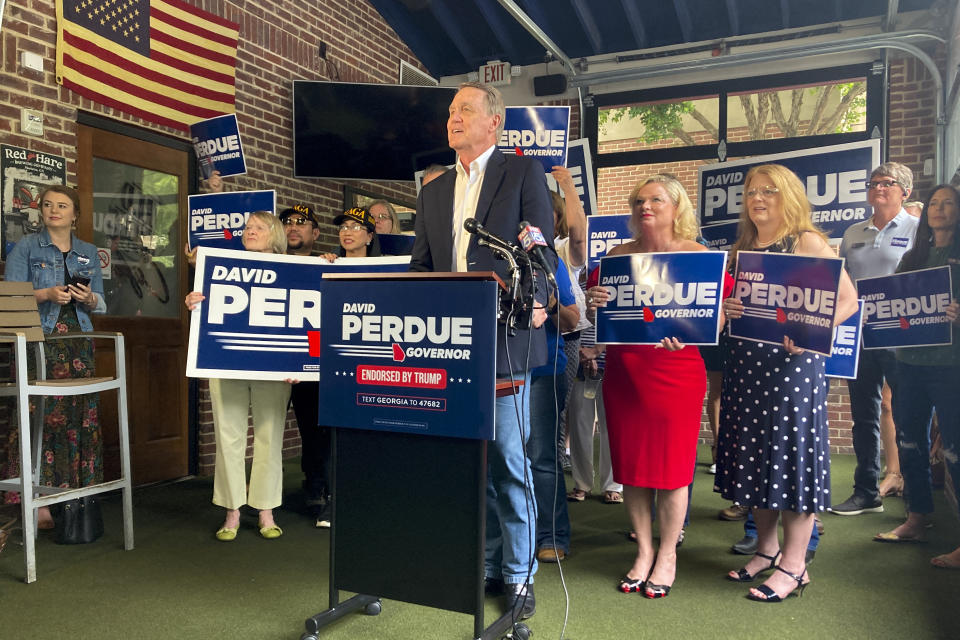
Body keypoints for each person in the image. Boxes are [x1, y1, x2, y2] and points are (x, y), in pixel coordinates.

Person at [410, 81, 554, 620]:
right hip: (449, 351)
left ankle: (519, 576)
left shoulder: (522, 173)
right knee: (469, 469)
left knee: (510, 468)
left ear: (494, 122)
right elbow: (421, 269)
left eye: (465, 109)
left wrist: (538, 301)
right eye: (450, 111)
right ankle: (485, 563)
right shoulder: (433, 191)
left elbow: (541, 254)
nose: (454, 118)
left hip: (506, 347)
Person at [718, 164, 858, 602]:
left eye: (770, 191)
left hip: (792, 370)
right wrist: (731, 309)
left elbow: (848, 301)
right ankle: (767, 550)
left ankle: (795, 567)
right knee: (755, 460)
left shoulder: (807, 241)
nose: (758, 198)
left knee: (790, 462)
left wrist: (811, 335)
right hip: (747, 365)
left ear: (790, 196)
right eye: (752, 191)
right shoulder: (743, 248)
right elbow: (735, 307)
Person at [585, 174, 711, 599]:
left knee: (673, 471)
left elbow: (717, 318)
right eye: (639, 201)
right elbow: (598, 309)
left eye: (656, 199)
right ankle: (643, 550)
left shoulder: (697, 255)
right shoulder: (617, 257)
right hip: (625, 371)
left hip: (677, 370)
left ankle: (668, 555)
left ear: (677, 207)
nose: (646, 207)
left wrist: (691, 332)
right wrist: (595, 302)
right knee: (634, 470)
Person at [184, 211, 292, 541]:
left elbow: (307, 314)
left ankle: (265, 508)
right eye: (247, 227)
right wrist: (194, 301)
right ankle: (232, 509)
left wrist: (302, 363)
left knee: (269, 436)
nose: (250, 231)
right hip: (226, 362)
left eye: (259, 227)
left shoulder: (293, 270)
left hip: (273, 368)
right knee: (227, 435)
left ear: (275, 235)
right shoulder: (221, 267)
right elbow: (206, 310)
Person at [3, 185, 106, 528]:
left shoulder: (88, 251)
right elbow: (12, 298)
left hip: (78, 342)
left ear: (75, 214)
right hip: (38, 341)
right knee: (39, 415)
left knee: (77, 417)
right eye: (47, 205)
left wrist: (88, 298)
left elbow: (101, 303)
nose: (53, 210)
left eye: (62, 205)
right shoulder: (26, 246)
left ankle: (75, 496)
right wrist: (46, 293)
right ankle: (37, 502)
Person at [873, 184, 960, 571]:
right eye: (935, 204)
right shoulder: (914, 257)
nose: (940, 210)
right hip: (909, 364)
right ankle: (916, 518)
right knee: (909, 442)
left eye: (949, 203)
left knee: (956, 452)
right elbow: (894, 303)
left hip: (951, 366)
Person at [831, 162, 919, 516]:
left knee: (909, 414)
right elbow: (842, 282)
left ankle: (916, 499)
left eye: (887, 183)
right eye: (873, 183)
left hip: (904, 335)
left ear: (905, 192)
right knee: (864, 415)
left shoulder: (918, 229)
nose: (878, 189)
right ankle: (866, 491)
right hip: (861, 336)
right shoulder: (853, 233)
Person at [276, 204, 332, 527]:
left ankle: (316, 485)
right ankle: (261, 496)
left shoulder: (325, 265)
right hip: (272, 359)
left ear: (316, 233)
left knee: (312, 424)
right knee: (269, 427)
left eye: (302, 222)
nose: (293, 226)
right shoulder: (268, 261)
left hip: (310, 359)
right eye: (287, 222)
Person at [530, 258, 578, 564]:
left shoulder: (548, 260)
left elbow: (572, 320)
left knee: (542, 456)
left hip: (544, 370)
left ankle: (551, 534)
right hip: (494, 370)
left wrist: (552, 305)